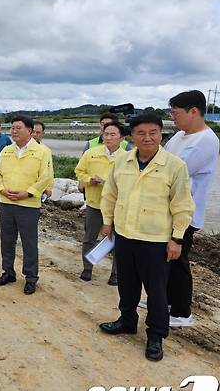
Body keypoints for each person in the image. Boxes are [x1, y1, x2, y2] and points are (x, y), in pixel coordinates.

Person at [99, 114, 194, 362]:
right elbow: (110, 194)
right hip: (125, 234)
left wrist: (177, 239)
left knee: (157, 291)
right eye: (141, 133)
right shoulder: (122, 162)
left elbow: (182, 205)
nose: (147, 137)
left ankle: (156, 335)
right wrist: (107, 222)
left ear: (161, 135)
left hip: (155, 239)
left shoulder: (174, 166)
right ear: (132, 136)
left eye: (153, 132)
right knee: (127, 285)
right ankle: (127, 320)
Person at [161, 90, 219, 328]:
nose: (173, 118)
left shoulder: (206, 140)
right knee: (164, 259)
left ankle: (182, 312)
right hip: (167, 210)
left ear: (193, 111)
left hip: (186, 212)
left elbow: (176, 172)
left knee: (178, 262)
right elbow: (160, 159)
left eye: (175, 113)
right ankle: (164, 301)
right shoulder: (180, 136)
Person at [0, 116, 52, 295]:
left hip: (29, 204)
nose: (14, 131)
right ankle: (8, 272)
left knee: (29, 242)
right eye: (12, 128)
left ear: (29, 130)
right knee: (7, 240)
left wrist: (29, 192)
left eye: (18, 128)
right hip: (7, 202)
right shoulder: (6, 151)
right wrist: (1, 190)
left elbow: (46, 177)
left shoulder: (42, 152)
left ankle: (31, 277)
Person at [74, 121, 124, 284]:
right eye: (106, 134)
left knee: (117, 240)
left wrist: (108, 183)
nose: (108, 137)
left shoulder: (127, 157)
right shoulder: (91, 153)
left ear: (122, 137)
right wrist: (89, 179)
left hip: (117, 206)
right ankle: (87, 269)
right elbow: (79, 171)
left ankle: (115, 274)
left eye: (112, 134)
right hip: (95, 203)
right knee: (89, 238)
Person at [31, 120, 54, 199]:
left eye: (38, 132)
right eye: (33, 132)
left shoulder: (46, 150)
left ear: (42, 133)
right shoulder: (19, 148)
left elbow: (49, 170)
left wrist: (49, 187)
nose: (34, 134)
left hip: (38, 188)